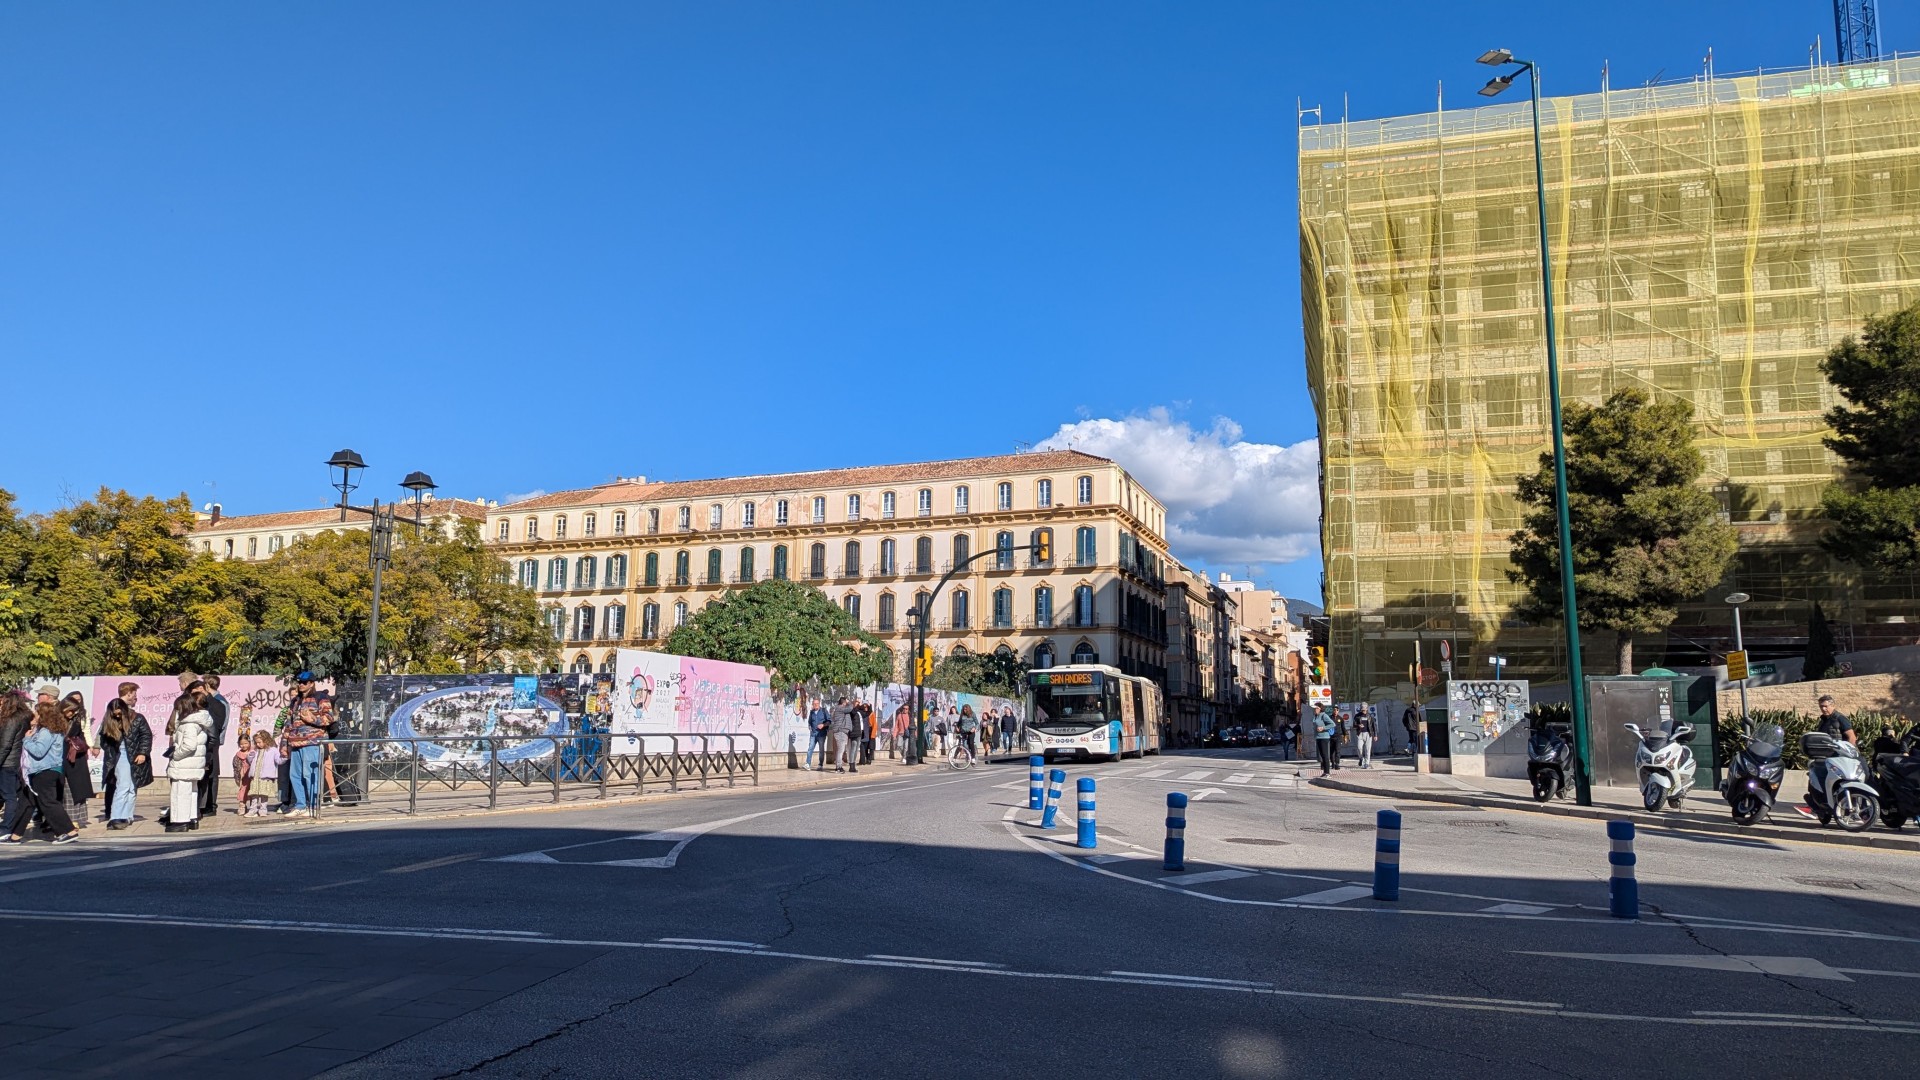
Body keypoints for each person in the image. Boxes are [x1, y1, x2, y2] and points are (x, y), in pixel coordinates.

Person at [7, 703, 78, 844]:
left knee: (48, 802)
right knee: (27, 802)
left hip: (45, 771)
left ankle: (68, 831)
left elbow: (39, 751)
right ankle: (16, 835)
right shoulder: (47, 731)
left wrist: (26, 740)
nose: (34, 715)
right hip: (41, 771)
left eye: (37, 713)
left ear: (44, 715)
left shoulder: (47, 731)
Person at [98, 694, 153, 830]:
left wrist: (142, 752)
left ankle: (127, 815)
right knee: (123, 785)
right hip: (120, 755)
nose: (117, 716)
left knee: (132, 787)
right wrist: (110, 751)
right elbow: (103, 739)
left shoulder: (137, 718)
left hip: (135, 755)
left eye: (119, 713)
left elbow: (146, 735)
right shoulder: (109, 722)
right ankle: (116, 816)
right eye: (115, 714)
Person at [163, 690, 213, 833]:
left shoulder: (188, 724)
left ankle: (180, 821)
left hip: (185, 763)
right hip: (193, 763)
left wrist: (176, 755)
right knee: (192, 791)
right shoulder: (199, 722)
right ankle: (192, 818)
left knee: (180, 792)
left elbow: (189, 746)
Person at [283, 673, 330, 813]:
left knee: (309, 774)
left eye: (304, 682)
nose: (301, 685)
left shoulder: (320, 698)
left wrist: (312, 719)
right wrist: (284, 744)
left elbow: (328, 718)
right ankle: (301, 805)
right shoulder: (295, 700)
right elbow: (288, 722)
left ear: (311, 683)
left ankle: (314, 806)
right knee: (294, 775)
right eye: (299, 682)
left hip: (311, 742)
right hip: (295, 743)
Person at [59, 692, 97, 827]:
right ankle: (69, 818)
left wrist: (91, 746)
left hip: (75, 758)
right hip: (64, 759)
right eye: (72, 710)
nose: (74, 713)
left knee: (75, 790)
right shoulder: (58, 720)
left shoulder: (77, 719)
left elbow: (85, 731)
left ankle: (75, 819)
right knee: (67, 790)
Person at [0, 694, 34, 839]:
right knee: (9, 795)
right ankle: (9, 826)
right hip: (15, 761)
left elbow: (6, 744)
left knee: (9, 796)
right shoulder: (24, 718)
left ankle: (6, 828)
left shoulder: (12, 719)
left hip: (8, 762)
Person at [198, 674, 230, 818]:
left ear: (207, 686)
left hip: (212, 741)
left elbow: (220, 724)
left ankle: (211, 804)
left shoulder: (219, 702)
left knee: (212, 773)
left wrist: (216, 739)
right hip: (206, 741)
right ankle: (203, 803)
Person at [243, 730, 280, 817]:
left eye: (259, 742)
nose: (258, 744)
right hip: (255, 777)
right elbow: (250, 761)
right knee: (254, 794)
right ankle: (253, 810)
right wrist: (250, 755)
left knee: (264, 794)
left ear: (266, 740)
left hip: (265, 777)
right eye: (256, 743)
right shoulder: (255, 751)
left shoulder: (273, 750)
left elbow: (278, 760)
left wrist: (284, 756)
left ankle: (263, 810)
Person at [1311, 704, 1337, 777]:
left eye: (1316, 708)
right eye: (1314, 708)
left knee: (1325, 755)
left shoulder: (1324, 715)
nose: (1315, 709)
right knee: (1322, 756)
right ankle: (1325, 772)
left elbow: (1333, 724)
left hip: (1324, 737)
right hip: (1318, 737)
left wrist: (1323, 728)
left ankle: (1328, 772)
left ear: (1320, 709)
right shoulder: (1315, 716)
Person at [805, 699, 830, 770]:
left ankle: (820, 765)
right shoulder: (812, 712)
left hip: (821, 734)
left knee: (821, 749)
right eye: (814, 704)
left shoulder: (823, 711)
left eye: (817, 703)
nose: (815, 705)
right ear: (812, 704)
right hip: (813, 733)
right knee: (810, 748)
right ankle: (807, 764)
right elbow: (810, 722)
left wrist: (823, 725)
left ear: (819, 704)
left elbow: (829, 721)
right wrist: (810, 727)